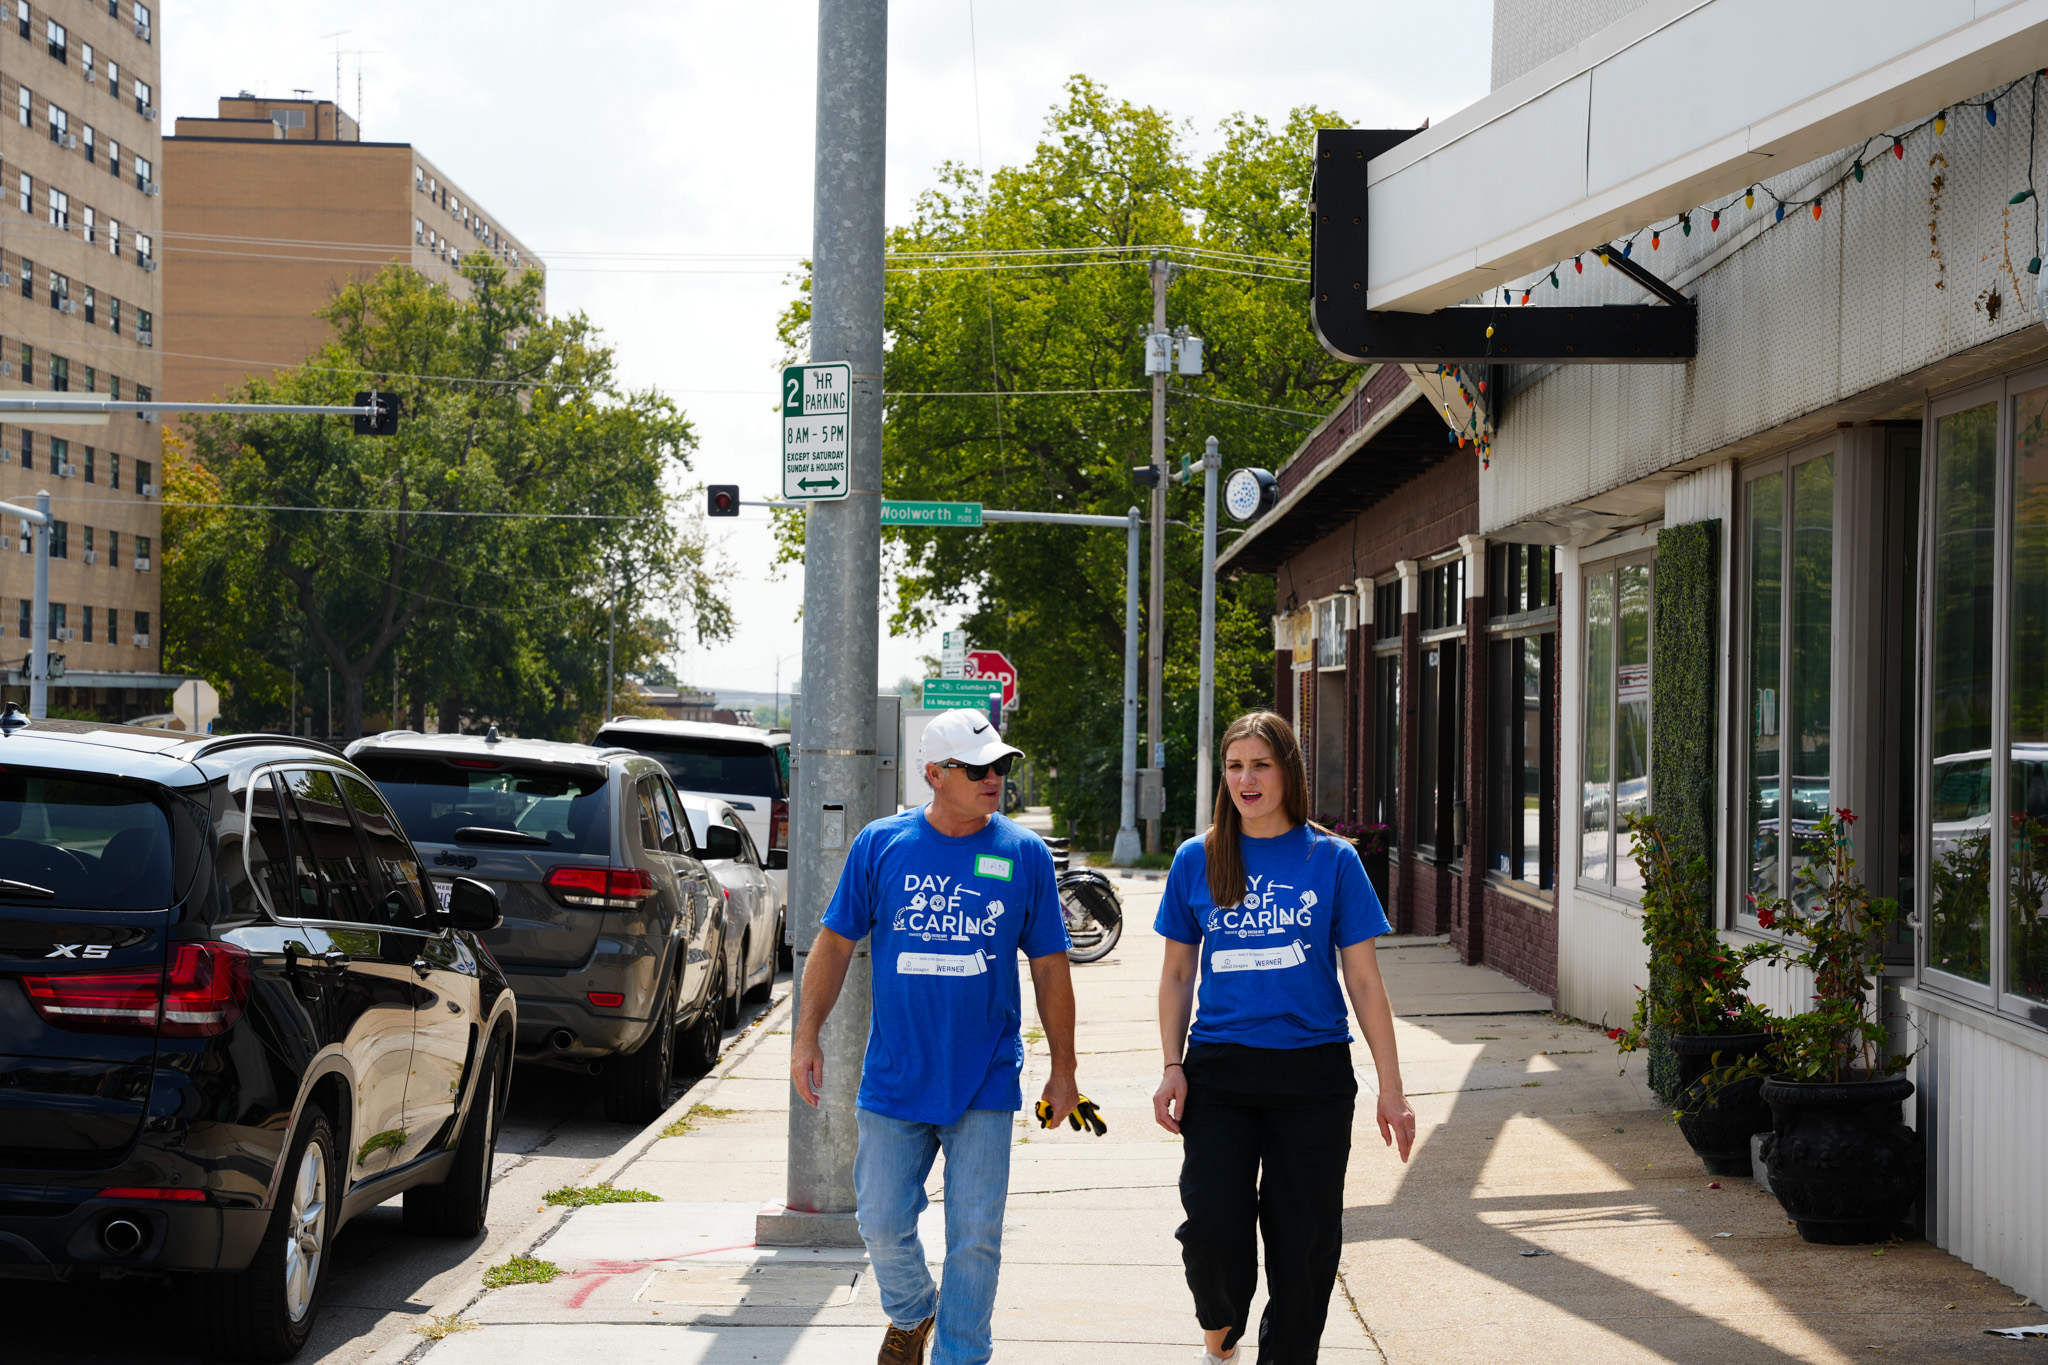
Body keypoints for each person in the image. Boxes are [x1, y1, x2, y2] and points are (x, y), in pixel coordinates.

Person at [791, 707, 1079, 1365]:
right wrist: (806, 1036)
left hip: (985, 1075)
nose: (994, 778)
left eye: (1000, 766)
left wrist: (1064, 1067)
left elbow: (1050, 968)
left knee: (976, 1235)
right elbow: (834, 943)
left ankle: (960, 1354)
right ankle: (913, 1309)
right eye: (978, 768)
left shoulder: (1022, 855)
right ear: (933, 774)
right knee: (881, 1222)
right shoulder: (881, 845)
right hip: (894, 1075)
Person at [1152, 710, 1416, 1365]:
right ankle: (1221, 1323)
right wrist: (1171, 1064)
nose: (1247, 777)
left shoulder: (1331, 860)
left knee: (1303, 1241)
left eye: (1261, 764)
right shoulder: (1198, 857)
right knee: (1214, 1226)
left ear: (1287, 771)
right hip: (1220, 1072)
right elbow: (1178, 972)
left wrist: (1393, 1089)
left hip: (1313, 1076)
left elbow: (1363, 980)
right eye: (1236, 764)